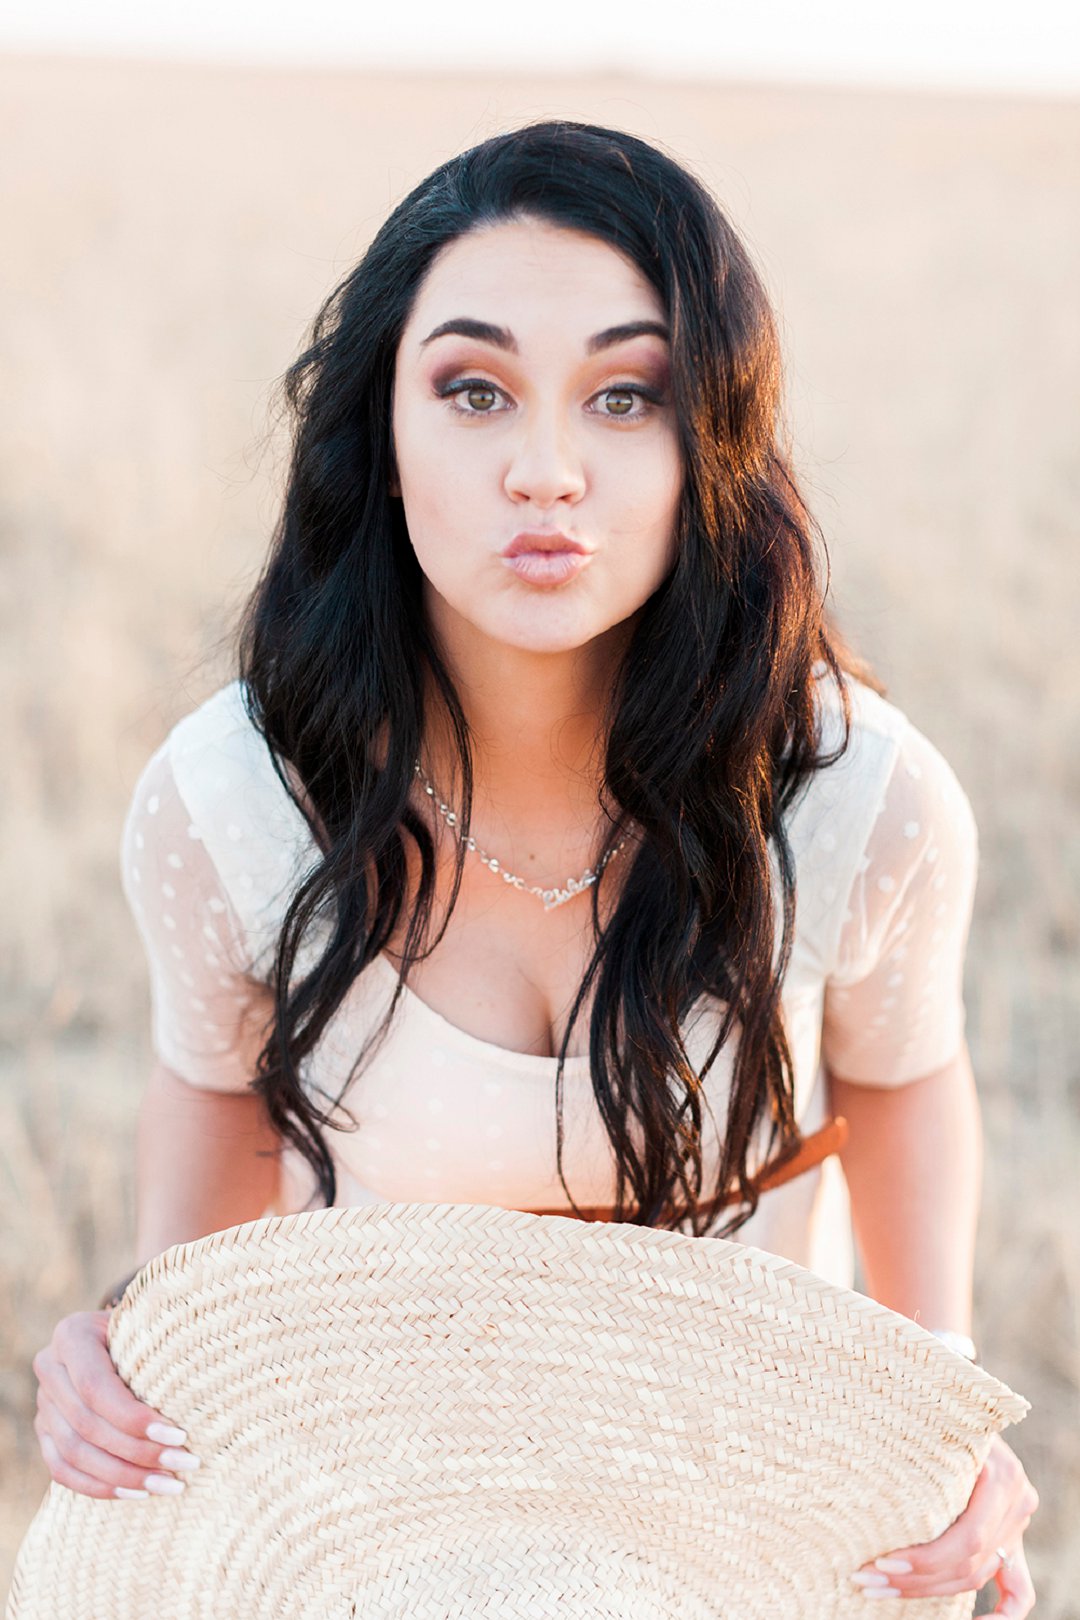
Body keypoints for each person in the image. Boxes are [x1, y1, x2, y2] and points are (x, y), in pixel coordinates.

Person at [31, 120, 1038, 1611]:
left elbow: (898, 1079)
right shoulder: (237, 801)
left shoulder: (852, 799)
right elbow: (217, 1109)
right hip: (378, 1514)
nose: (547, 471)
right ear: (381, 427)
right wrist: (143, 1344)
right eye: (475, 391)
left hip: (738, 1513)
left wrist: (937, 1395)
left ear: (714, 443)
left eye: (626, 395)